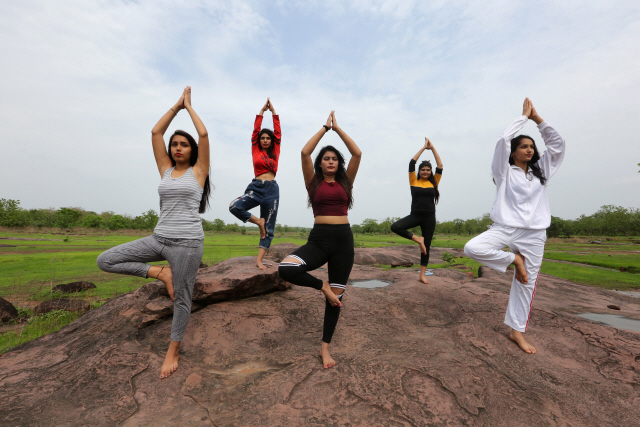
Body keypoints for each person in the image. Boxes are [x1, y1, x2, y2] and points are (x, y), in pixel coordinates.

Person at [97, 87, 210, 378]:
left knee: (182, 299)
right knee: (106, 260)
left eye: (184, 144)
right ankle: (161, 273)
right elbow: (155, 133)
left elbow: (205, 135)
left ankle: (172, 350)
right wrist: (176, 106)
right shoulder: (165, 169)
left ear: (191, 149)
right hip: (159, 238)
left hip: (187, 244)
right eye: (175, 144)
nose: (178, 148)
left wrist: (190, 108)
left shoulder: (198, 171)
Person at [464, 98, 565, 354]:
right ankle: (514, 260)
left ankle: (516, 331)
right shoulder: (504, 172)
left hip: (534, 234)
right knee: (472, 248)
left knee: (526, 284)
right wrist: (523, 117)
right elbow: (501, 141)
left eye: (531, 146)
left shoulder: (540, 172)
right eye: (523, 146)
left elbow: (558, 145)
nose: (529, 150)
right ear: (513, 152)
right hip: (505, 228)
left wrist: (538, 119)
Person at [278, 111, 361, 369]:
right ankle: (321, 286)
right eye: (326, 158)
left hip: (343, 243)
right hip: (319, 241)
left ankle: (325, 347)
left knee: (337, 298)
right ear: (320, 163)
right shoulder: (312, 183)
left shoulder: (346, 182)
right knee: (286, 268)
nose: (330, 161)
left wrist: (340, 130)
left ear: (339, 163)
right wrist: (325, 128)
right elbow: (304, 153)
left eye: (334, 159)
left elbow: (357, 154)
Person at [229, 98, 281, 269]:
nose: (265, 140)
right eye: (263, 138)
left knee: (270, 227)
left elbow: (278, 133)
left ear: (272, 141)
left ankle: (259, 261)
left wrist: (274, 113)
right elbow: (255, 131)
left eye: (268, 138)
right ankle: (258, 222)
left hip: (272, 190)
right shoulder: (255, 149)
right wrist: (261, 112)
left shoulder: (275, 150)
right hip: (256, 187)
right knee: (234, 206)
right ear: (258, 141)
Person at [390, 138, 443, 283]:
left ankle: (422, 275)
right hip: (415, 215)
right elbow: (411, 163)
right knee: (395, 226)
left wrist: (432, 148)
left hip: (429, 217)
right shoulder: (414, 180)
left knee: (427, 246)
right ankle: (417, 239)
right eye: (423, 169)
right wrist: (423, 148)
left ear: (430, 172)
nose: (425, 171)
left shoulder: (434, 182)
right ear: (419, 171)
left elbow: (440, 165)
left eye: (427, 170)